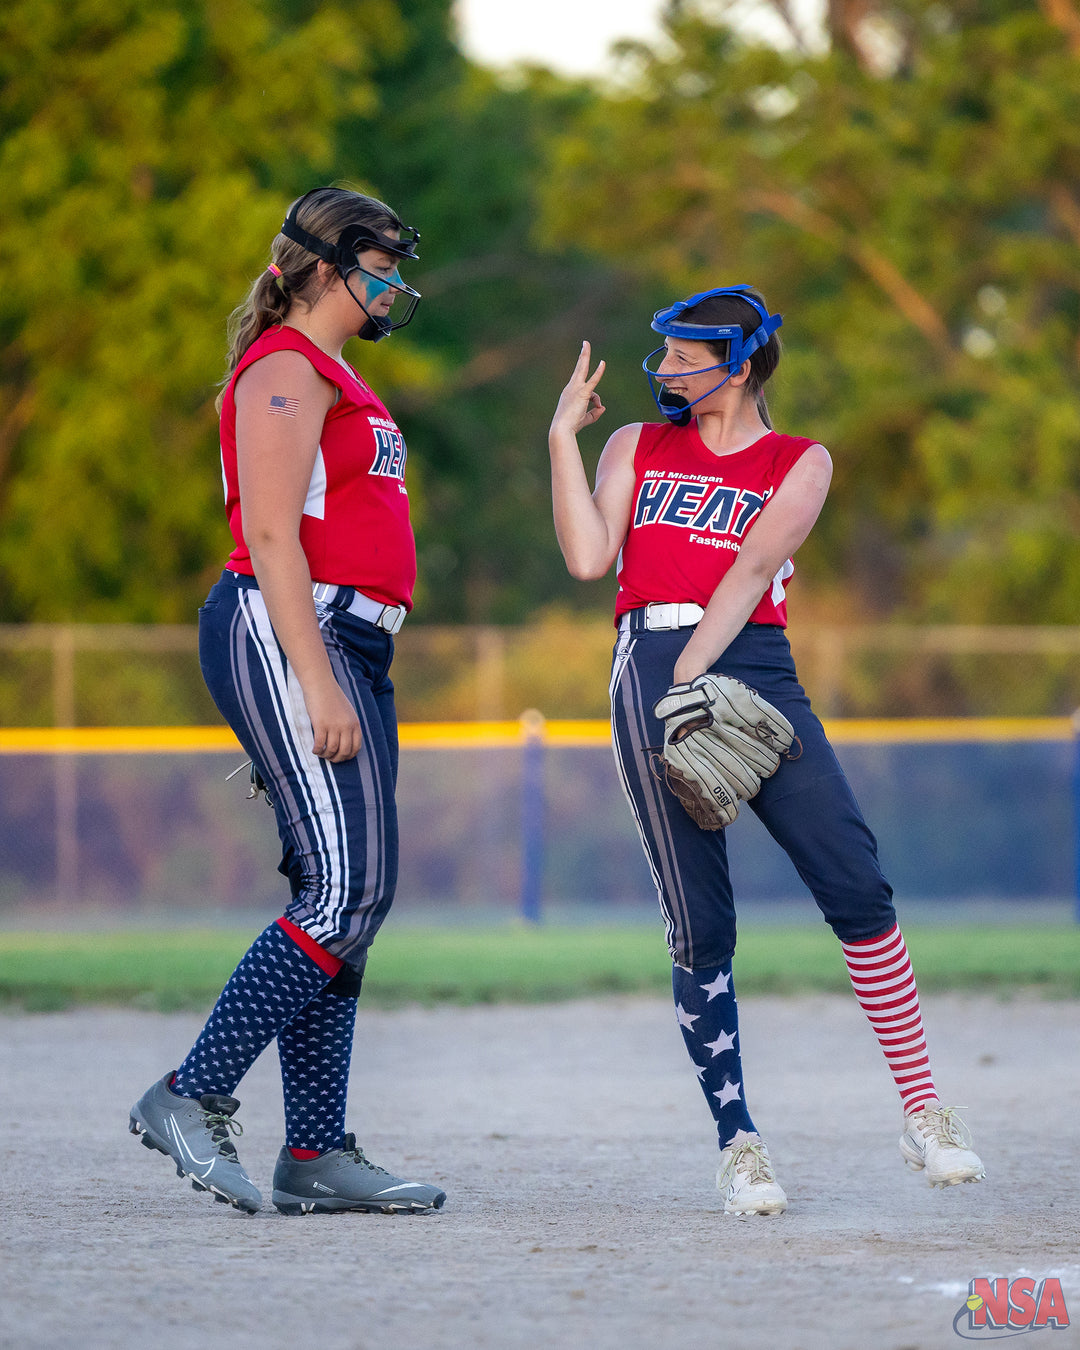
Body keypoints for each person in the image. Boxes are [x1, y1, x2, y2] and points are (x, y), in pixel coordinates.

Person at [547, 285, 985, 1217]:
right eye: (661, 353)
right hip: (649, 661)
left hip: (748, 662)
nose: (662, 369)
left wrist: (695, 687)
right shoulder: (635, 443)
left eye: (683, 354)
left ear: (737, 365)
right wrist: (561, 441)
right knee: (701, 920)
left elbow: (750, 572)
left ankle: (924, 1113)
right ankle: (739, 1143)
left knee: (856, 881)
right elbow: (589, 560)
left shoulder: (801, 461)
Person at [129, 186, 446, 1217]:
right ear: (328, 265)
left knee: (349, 894)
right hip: (292, 625)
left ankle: (312, 1152)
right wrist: (315, 679)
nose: (395, 280)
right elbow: (269, 534)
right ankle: (190, 1093)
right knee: (344, 892)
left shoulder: (341, 374)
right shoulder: (286, 366)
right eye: (381, 261)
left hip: (353, 636)